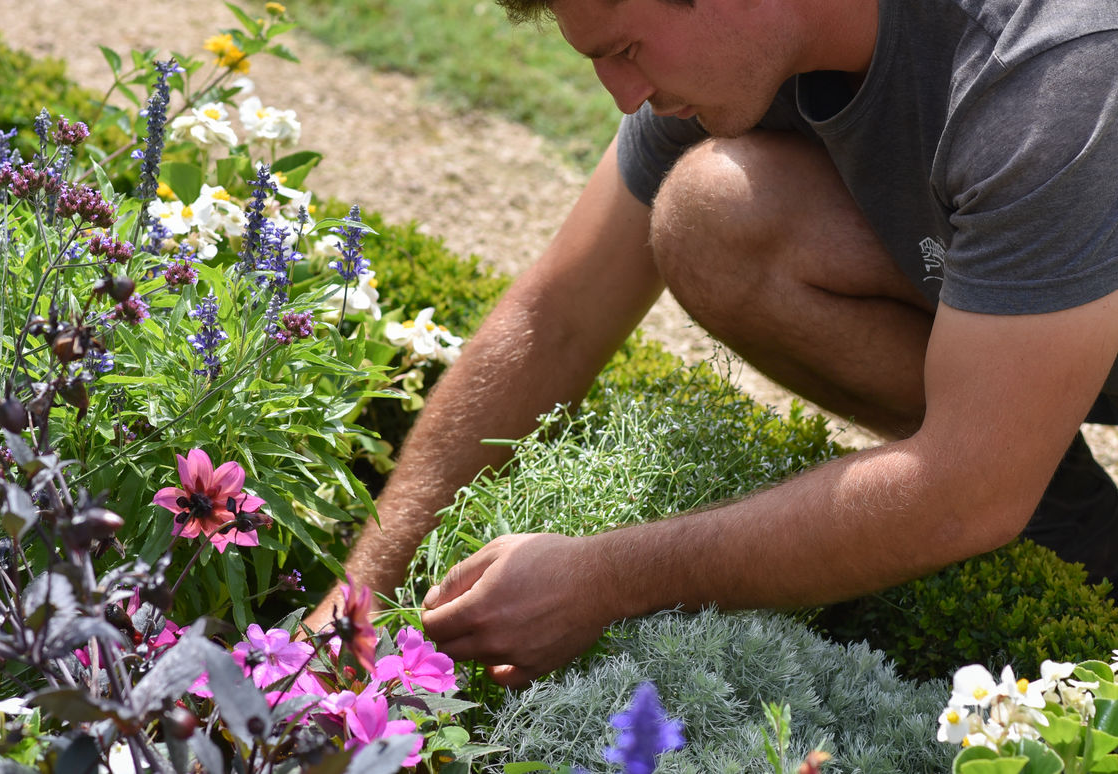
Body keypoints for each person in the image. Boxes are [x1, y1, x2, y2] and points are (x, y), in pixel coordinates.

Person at [306, 0, 1118, 687]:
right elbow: (557, 317)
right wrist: (350, 617)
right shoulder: (751, 55)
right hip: (1059, 318)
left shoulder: (1049, 74)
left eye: (625, 49)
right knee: (713, 213)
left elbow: (961, 491)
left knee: (981, 482)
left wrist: (605, 578)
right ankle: (1085, 543)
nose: (624, 96)